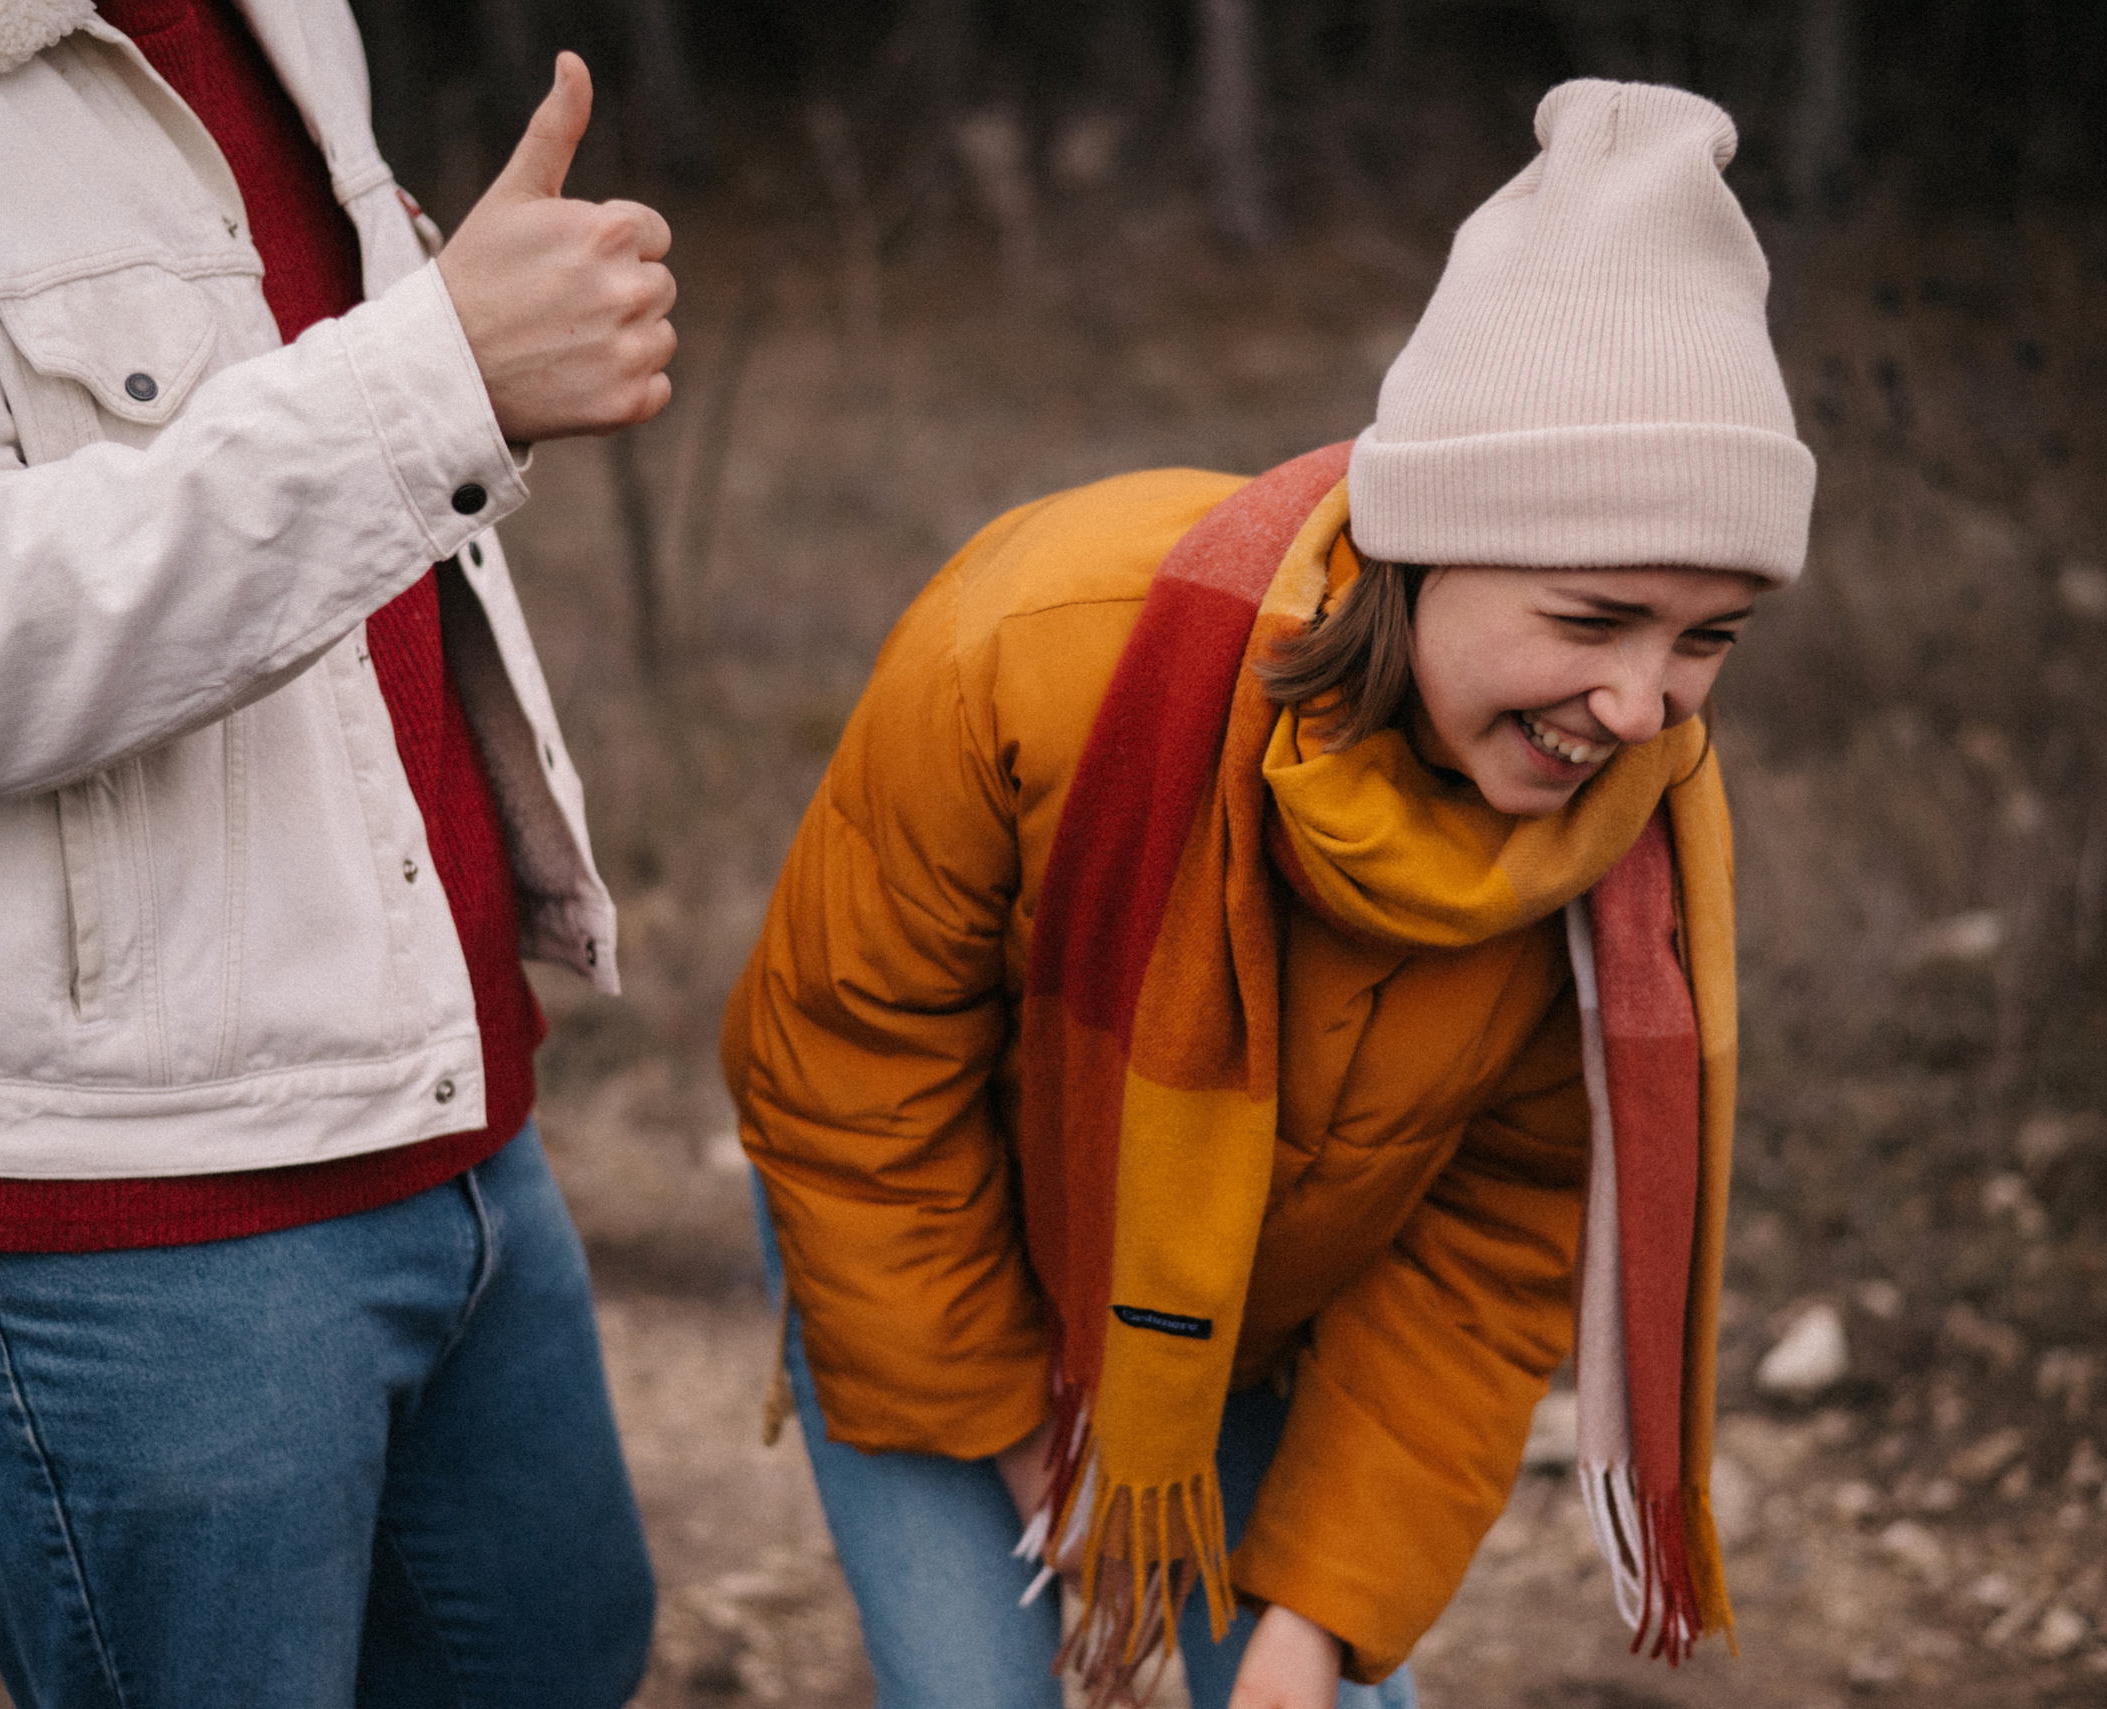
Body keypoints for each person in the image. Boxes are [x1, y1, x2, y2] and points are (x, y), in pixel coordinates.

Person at [723, 80, 1815, 1709]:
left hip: (1283, 1305)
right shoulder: (1038, 649)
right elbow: (846, 1075)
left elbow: (1495, 1250)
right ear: (1426, 544)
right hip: (942, 1243)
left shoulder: (1625, 840)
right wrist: (1051, 1465)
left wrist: (1308, 1631)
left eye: (1706, 638)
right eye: (1596, 618)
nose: (1646, 709)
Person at [0, 2, 674, 1704]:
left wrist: (477, 375)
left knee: (563, 1652)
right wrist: (443, 373)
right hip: (123, 1209)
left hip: (451, 1094)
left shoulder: (285, 11)